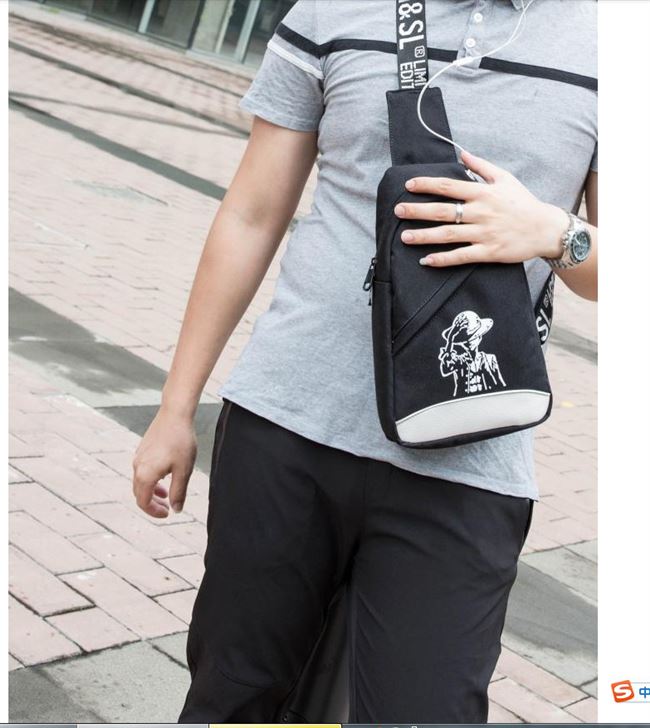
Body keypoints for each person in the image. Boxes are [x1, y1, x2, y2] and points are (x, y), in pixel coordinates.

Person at [131, 0, 598, 722]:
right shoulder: (333, 10)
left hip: (471, 456)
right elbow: (251, 214)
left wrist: (553, 232)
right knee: (237, 696)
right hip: (286, 427)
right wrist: (175, 409)